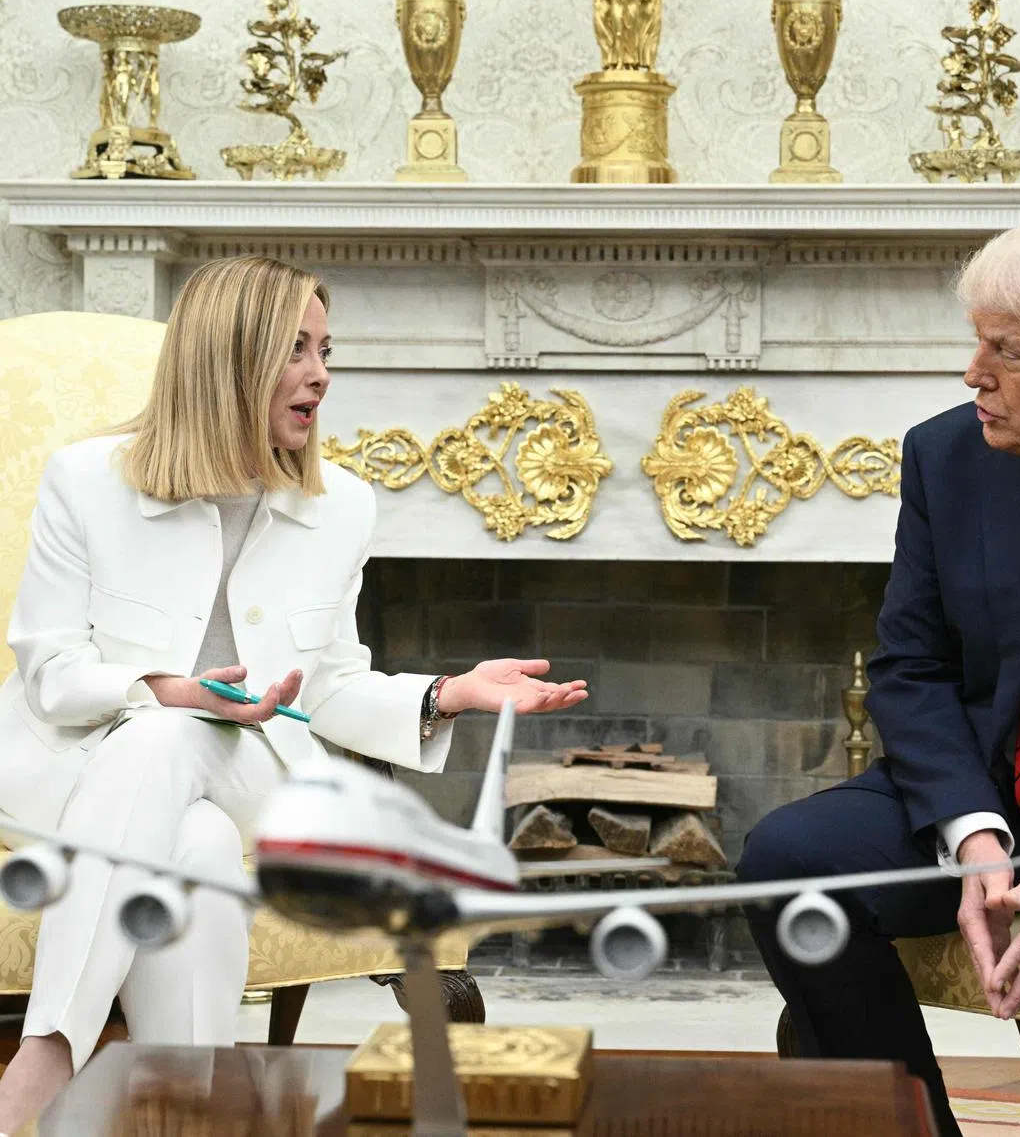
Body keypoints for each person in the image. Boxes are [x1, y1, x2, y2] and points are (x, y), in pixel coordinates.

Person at [0, 255, 589, 1133]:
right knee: (187, 833)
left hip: (257, 775)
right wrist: (165, 690)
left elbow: (333, 685)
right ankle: (190, 1110)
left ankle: (45, 1059)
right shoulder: (87, 482)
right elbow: (48, 672)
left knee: (177, 755)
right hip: (74, 772)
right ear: (226, 360)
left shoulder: (342, 506)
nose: (320, 373)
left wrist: (448, 695)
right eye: (295, 350)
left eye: (325, 349)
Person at [737, 216, 1020, 1137]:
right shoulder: (949, 455)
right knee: (793, 862)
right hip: (997, 798)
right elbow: (911, 669)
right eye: (977, 342)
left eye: (1008, 352)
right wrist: (974, 835)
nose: (974, 375)